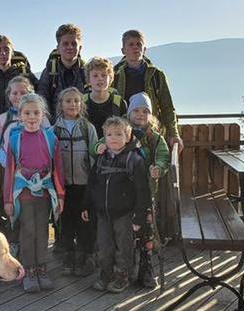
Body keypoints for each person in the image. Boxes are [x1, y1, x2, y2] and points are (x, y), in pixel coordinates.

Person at [94, 92, 169, 288]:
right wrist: (98, 147)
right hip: (125, 193)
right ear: (129, 112)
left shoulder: (155, 137)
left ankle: (146, 269)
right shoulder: (121, 131)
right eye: (136, 110)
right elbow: (103, 143)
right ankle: (122, 272)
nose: (140, 114)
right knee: (124, 237)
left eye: (145, 111)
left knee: (146, 233)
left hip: (146, 191)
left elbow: (163, 155)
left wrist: (159, 167)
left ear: (150, 115)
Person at [81, 117, 151, 293]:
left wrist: (139, 216)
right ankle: (106, 274)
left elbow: (143, 191)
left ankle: (122, 276)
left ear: (127, 137)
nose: (113, 138)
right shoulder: (101, 158)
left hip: (125, 214)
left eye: (119, 134)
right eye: (109, 134)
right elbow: (92, 183)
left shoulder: (134, 160)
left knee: (124, 247)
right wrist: (86, 205)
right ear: (104, 137)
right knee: (104, 246)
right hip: (103, 213)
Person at [4, 93, 65, 293]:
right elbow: (9, 172)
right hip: (23, 192)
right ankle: (29, 271)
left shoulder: (50, 138)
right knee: (28, 230)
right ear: (20, 115)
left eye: (36, 112)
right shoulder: (14, 139)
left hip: (46, 191)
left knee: (42, 231)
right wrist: (8, 200)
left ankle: (42, 269)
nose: (32, 117)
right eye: (27, 113)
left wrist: (61, 195)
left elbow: (58, 169)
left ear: (43, 115)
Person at [0, 76, 50, 257]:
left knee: (31, 211)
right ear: (9, 96)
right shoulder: (3, 118)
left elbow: (48, 142)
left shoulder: (41, 117)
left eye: (23, 92)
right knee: (10, 208)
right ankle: (11, 243)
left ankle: (30, 248)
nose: (18, 96)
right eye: (14, 93)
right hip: (10, 172)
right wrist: (9, 164)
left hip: (35, 175)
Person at [50, 87, 97, 277]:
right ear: (61, 105)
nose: (72, 104)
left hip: (84, 184)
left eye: (76, 101)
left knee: (85, 222)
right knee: (66, 222)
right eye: (68, 101)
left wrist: (94, 181)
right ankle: (68, 257)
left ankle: (87, 257)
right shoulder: (54, 129)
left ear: (81, 104)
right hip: (63, 186)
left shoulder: (88, 128)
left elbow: (94, 156)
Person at [113, 30, 183, 151]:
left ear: (144, 49)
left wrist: (174, 134)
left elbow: (167, 107)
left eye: (139, 44)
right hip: (123, 137)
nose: (135, 48)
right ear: (123, 50)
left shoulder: (156, 75)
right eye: (131, 44)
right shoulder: (114, 75)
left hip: (151, 135)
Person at [0, 35, 38, 120]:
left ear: (12, 52)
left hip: (21, 125)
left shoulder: (24, 73)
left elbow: (40, 94)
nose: (3, 53)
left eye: (6, 49)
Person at [37, 24, 87, 115]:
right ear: (58, 48)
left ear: (80, 48)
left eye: (74, 43)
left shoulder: (87, 73)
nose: (70, 47)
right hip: (55, 125)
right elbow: (42, 100)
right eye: (65, 43)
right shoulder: (50, 72)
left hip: (82, 125)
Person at [84, 57, 127, 136]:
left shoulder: (119, 103)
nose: (100, 79)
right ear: (88, 80)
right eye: (95, 76)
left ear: (110, 78)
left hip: (113, 146)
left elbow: (126, 130)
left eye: (104, 75)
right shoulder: (82, 102)